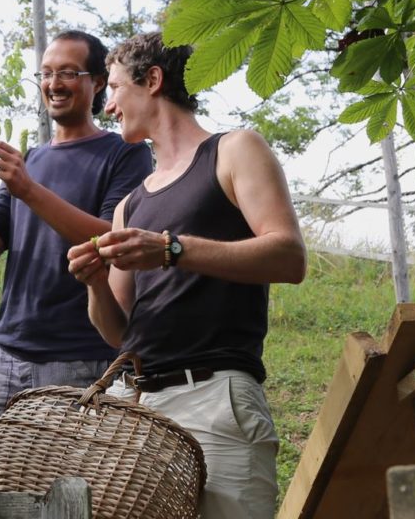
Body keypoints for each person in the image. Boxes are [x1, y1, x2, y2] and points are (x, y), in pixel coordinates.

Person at [66, 31, 306, 518]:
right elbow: (120, 332)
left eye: (113, 88)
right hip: (137, 409)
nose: (108, 106)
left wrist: (172, 249)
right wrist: (94, 283)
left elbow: (289, 257)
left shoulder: (235, 150)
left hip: (217, 399)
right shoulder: (131, 203)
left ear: (152, 80)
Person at [0, 30, 152, 437]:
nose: (54, 84)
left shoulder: (125, 153)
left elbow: (113, 240)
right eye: (45, 73)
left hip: (81, 361)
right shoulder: (33, 160)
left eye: (68, 73)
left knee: (72, 496)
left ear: (97, 82)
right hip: (7, 358)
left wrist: (27, 188)